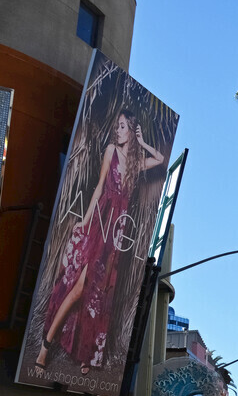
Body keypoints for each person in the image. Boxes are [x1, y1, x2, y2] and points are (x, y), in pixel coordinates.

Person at [34, 108, 166, 376]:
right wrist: (85, 219)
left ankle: (87, 354)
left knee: (100, 294)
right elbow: (99, 187)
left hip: (117, 232)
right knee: (80, 286)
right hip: (100, 221)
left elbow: (161, 159)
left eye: (122, 127)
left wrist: (141, 143)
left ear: (131, 130)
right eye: (116, 126)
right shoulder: (110, 151)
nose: (117, 131)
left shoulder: (134, 163)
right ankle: (44, 348)